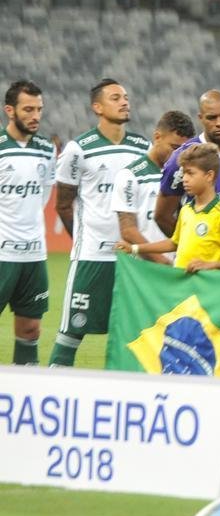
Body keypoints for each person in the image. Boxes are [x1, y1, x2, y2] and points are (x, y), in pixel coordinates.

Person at [48, 79, 150, 367]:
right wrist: (83, 240)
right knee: (72, 331)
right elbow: (63, 204)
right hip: (92, 257)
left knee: (139, 333)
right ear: (97, 107)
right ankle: (51, 386)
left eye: (125, 97)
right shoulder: (78, 149)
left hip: (132, 260)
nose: (124, 101)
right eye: (115, 97)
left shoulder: (143, 147)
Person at [154, 89, 220, 237]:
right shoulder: (182, 158)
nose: (219, 123)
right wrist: (191, 243)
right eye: (212, 118)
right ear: (201, 118)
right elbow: (162, 216)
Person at [0, 81, 55, 364]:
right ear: (10, 110)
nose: (35, 116)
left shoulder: (46, 149)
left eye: (39, 109)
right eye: (28, 110)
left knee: (31, 328)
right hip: (2, 254)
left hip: (34, 255)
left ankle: (23, 384)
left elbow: (42, 195)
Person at [118, 143, 220, 270]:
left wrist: (211, 265)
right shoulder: (186, 210)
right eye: (184, 173)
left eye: (190, 173)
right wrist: (134, 248)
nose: (184, 179)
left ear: (209, 176)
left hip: (209, 283)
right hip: (183, 281)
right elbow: (175, 242)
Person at [111, 110, 195, 266]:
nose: (178, 155)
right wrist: (161, 261)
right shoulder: (130, 176)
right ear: (157, 137)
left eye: (183, 150)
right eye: (174, 147)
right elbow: (128, 231)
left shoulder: (189, 175)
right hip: (146, 267)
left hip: (183, 264)